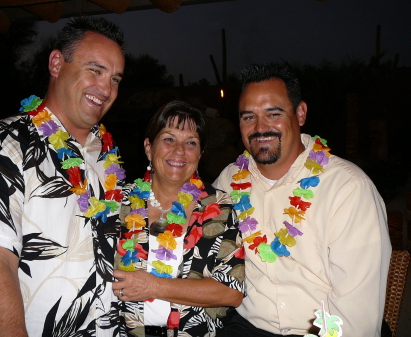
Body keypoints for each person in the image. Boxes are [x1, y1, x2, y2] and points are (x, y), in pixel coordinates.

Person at [0, 17, 126, 336]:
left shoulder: (106, 153)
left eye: (116, 79)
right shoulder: (2, 145)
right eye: (95, 70)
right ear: (56, 63)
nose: (106, 89)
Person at [214, 63, 391, 337]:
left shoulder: (348, 189)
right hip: (247, 326)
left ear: (300, 113)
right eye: (248, 117)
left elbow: (356, 314)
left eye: (273, 114)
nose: (260, 128)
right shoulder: (229, 180)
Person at [112, 100, 245, 337]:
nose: (179, 150)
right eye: (168, 138)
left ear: (201, 153)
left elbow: (231, 293)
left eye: (191, 142)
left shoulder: (218, 207)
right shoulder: (118, 202)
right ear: (148, 147)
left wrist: (152, 286)